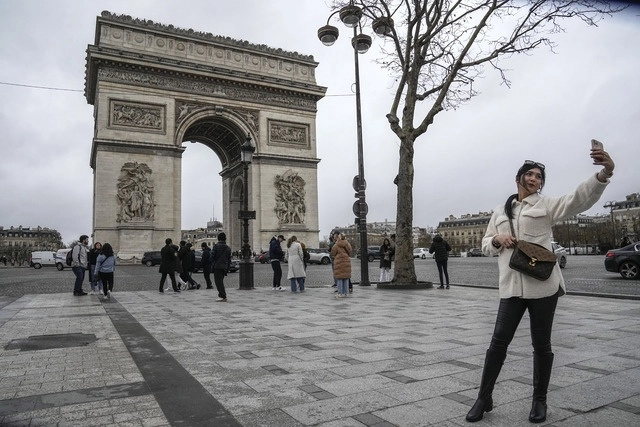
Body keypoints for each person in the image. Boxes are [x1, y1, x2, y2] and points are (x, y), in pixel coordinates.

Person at [466, 148, 615, 424]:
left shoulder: (545, 206)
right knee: (497, 344)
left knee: (541, 345)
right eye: (530, 175)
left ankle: (539, 401)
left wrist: (604, 174)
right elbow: (486, 245)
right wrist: (497, 239)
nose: (535, 179)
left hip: (543, 288)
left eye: (539, 177)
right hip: (511, 288)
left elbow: (577, 199)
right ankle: (483, 397)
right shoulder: (500, 211)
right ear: (518, 178)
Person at [211, 232, 231, 301]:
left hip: (217, 266)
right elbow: (229, 259)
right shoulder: (228, 248)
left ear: (218, 238)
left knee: (218, 282)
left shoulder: (216, 246)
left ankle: (223, 296)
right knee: (220, 281)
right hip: (224, 266)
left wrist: (212, 263)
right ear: (225, 239)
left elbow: (212, 257)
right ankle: (221, 295)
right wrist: (227, 268)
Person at [331, 233, 352, 298]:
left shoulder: (336, 245)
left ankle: (340, 293)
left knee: (339, 278)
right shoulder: (347, 244)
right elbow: (350, 251)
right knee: (346, 278)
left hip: (338, 262)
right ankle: (346, 293)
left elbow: (333, 253)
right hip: (346, 261)